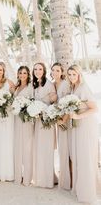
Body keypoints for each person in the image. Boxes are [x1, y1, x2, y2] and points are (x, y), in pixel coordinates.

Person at [67, 64, 98, 203]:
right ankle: (79, 188)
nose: (72, 77)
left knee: (85, 156)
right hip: (77, 126)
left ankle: (87, 192)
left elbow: (94, 108)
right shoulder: (72, 88)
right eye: (70, 74)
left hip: (85, 125)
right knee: (78, 156)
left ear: (79, 74)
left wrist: (78, 117)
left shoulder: (84, 88)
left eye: (74, 74)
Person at [32, 62, 57, 188]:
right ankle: (39, 177)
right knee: (38, 148)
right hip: (37, 121)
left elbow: (53, 102)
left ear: (44, 70)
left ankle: (48, 179)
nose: (37, 71)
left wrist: (45, 110)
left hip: (46, 121)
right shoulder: (34, 84)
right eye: (35, 69)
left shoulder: (49, 84)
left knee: (46, 148)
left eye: (40, 69)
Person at [0, 62, 15, 182]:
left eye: (1, 70)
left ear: (4, 71)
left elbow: (14, 97)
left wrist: (6, 104)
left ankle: (8, 172)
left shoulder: (9, 83)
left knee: (6, 141)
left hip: (7, 116)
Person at [51, 62, 71, 190]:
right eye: (53, 70)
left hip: (66, 120)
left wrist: (63, 119)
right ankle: (64, 178)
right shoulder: (52, 84)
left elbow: (69, 103)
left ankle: (70, 178)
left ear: (62, 72)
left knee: (68, 149)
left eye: (57, 70)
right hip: (58, 121)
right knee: (62, 149)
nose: (55, 72)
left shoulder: (65, 84)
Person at [14, 66, 34, 186]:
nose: (22, 75)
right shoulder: (16, 87)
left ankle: (27, 178)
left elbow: (33, 102)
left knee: (27, 148)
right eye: (20, 73)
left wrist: (26, 109)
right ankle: (17, 176)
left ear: (28, 74)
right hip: (17, 119)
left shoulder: (31, 87)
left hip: (26, 120)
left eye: (25, 73)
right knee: (18, 147)